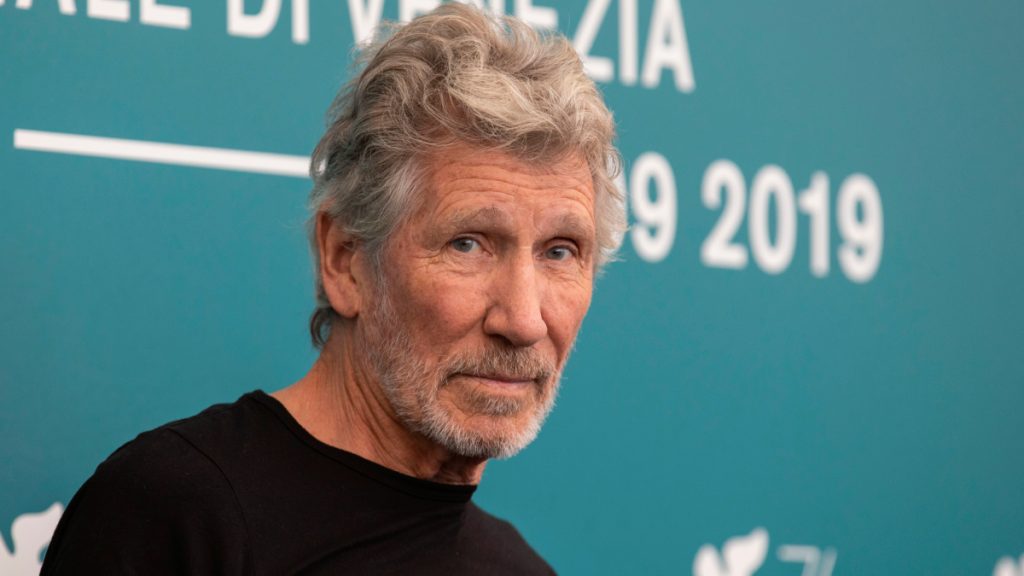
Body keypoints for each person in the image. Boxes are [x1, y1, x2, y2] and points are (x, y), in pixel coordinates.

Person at [41, 3, 625, 574]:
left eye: (559, 252)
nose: (523, 320)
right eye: (467, 244)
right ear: (345, 261)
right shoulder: (178, 514)